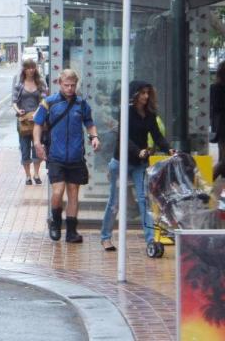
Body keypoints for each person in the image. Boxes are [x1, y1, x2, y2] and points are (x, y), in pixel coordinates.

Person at [100, 81, 172, 251]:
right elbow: (123, 137)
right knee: (114, 202)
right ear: (134, 94)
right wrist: (138, 151)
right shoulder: (126, 112)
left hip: (139, 164)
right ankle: (105, 237)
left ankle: (150, 240)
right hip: (120, 162)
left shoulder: (149, 114)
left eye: (147, 93)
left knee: (144, 201)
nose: (146, 96)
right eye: (142, 93)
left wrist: (169, 149)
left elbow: (157, 136)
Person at [33, 69, 100, 243]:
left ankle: (71, 231)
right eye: (66, 85)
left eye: (73, 85)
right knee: (58, 190)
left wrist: (94, 137)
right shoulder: (49, 103)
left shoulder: (82, 104)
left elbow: (90, 123)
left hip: (76, 156)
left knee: (73, 193)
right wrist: (37, 143)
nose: (70, 88)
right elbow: (38, 124)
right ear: (59, 84)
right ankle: (55, 223)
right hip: (56, 155)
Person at [13, 59, 48, 185]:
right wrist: (19, 111)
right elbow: (14, 102)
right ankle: (28, 175)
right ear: (24, 69)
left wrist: (38, 114)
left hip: (38, 121)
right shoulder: (19, 84)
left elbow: (44, 100)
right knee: (25, 148)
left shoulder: (40, 83)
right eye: (28, 68)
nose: (31, 70)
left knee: (37, 146)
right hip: (23, 122)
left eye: (33, 67)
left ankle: (37, 174)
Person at [210, 62, 225, 181]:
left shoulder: (215, 87)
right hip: (223, 129)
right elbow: (218, 106)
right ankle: (203, 185)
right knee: (223, 162)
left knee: (223, 162)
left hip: (221, 129)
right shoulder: (216, 88)